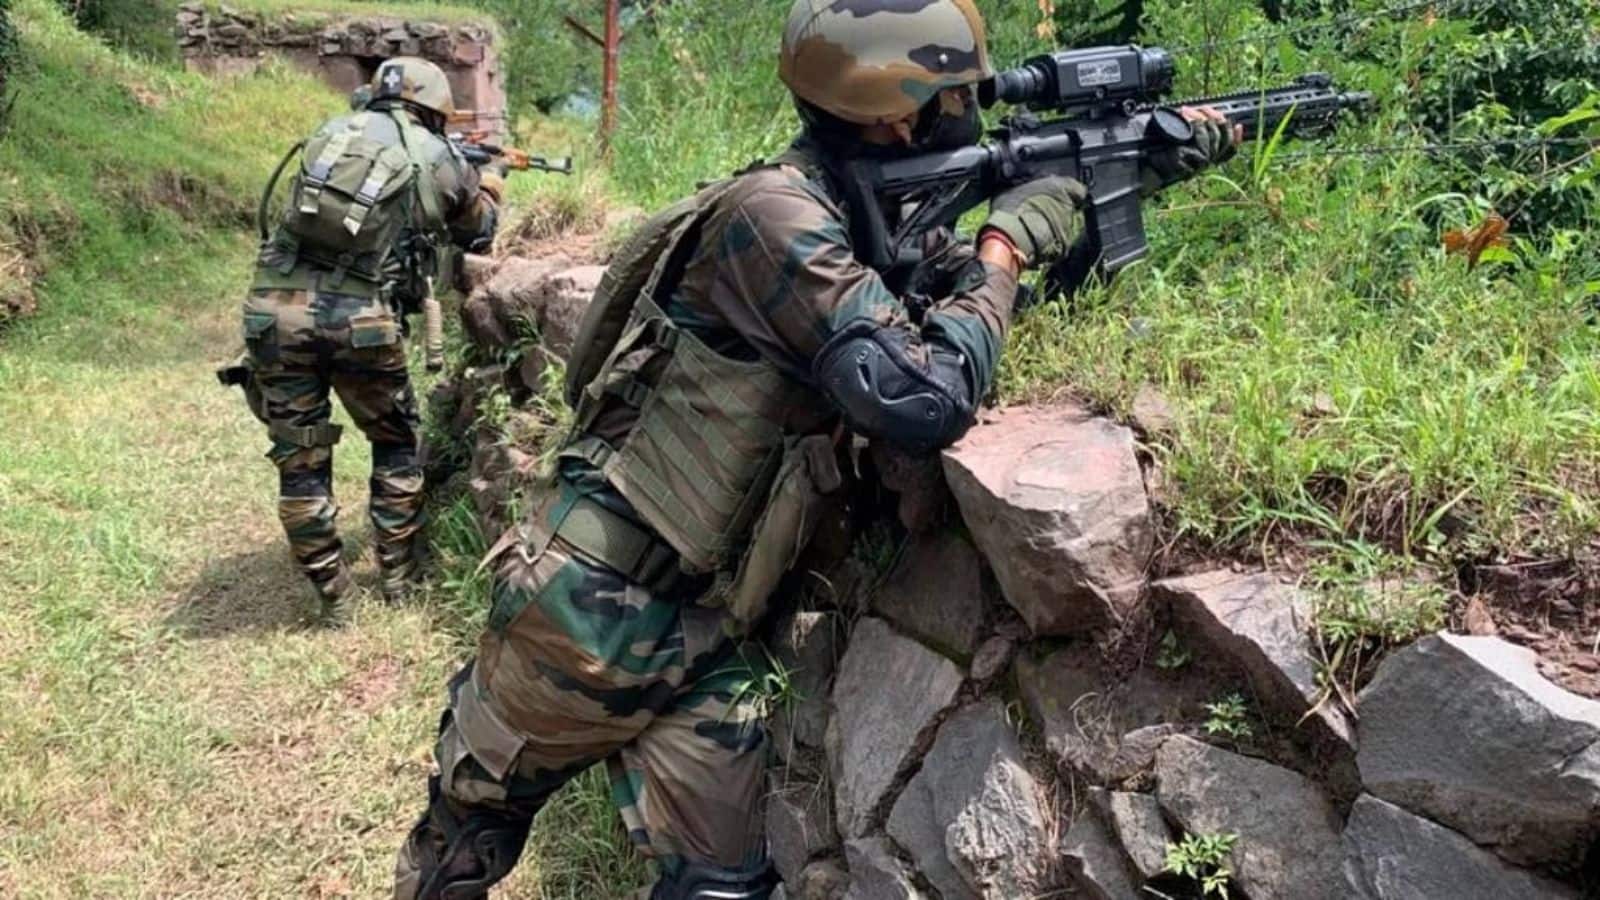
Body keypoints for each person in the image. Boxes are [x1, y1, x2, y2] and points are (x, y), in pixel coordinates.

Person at [392, 2, 1237, 897]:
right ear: (898, 117)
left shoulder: (862, 218)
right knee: (461, 847)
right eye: (957, 93)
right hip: (586, 615)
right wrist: (1004, 243)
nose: (971, 107)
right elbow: (923, 397)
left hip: (711, 623)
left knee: (722, 890)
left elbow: (975, 318)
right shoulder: (773, 219)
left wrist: (1117, 180)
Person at [237, 56, 501, 616]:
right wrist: (490, 186)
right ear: (434, 107)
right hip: (360, 319)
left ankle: (332, 594)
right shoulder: (437, 154)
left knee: (300, 455)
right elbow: (478, 232)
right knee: (395, 441)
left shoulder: (331, 135)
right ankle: (399, 578)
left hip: (273, 312)